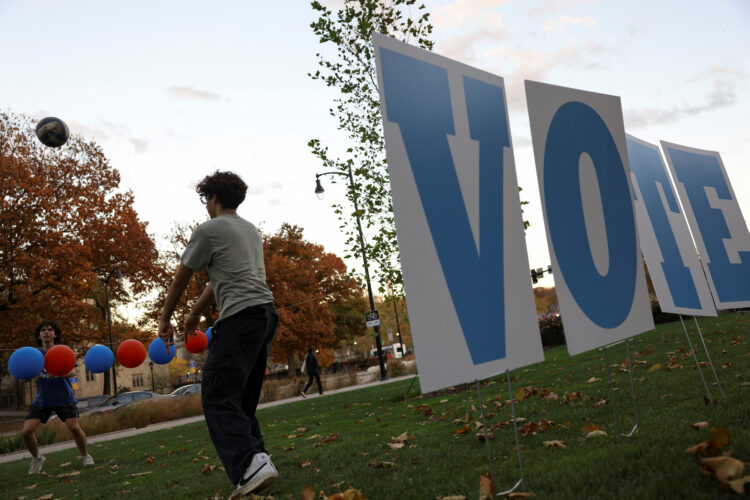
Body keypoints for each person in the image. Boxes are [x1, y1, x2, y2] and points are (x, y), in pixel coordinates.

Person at [157, 171, 279, 498]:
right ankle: (259, 460)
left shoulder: (209, 230)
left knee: (216, 394)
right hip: (265, 314)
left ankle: (250, 464)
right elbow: (218, 280)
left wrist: (165, 318)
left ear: (213, 198)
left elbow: (181, 277)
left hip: (239, 318)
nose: (206, 206)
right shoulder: (249, 230)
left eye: (206, 199)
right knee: (241, 399)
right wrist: (195, 312)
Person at [23, 320, 94, 474]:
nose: (46, 332)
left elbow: (73, 372)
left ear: (55, 334)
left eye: (49, 330)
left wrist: (57, 374)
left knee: (74, 428)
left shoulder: (63, 351)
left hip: (64, 398)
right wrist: (29, 376)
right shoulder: (35, 355)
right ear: (39, 335)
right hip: (43, 400)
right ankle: (37, 458)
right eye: (43, 330)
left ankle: (85, 456)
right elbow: (23, 376)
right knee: (26, 432)